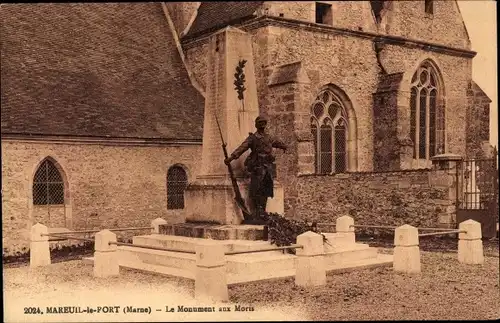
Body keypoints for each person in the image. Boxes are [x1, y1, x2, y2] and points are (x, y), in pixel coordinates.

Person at [224, 115, 287, 223]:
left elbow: (277, 143)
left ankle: (263, 211)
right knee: (256, 190)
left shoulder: (269, 137)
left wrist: (284, 146)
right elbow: (242, 148)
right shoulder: (252, 138)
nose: (262, 124)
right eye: (260, 122)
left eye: (264, 122)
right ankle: (258, 211)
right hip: (258, 167)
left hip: (268, 167)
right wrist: (231, 157)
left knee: (266, 190)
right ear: (256, 125)